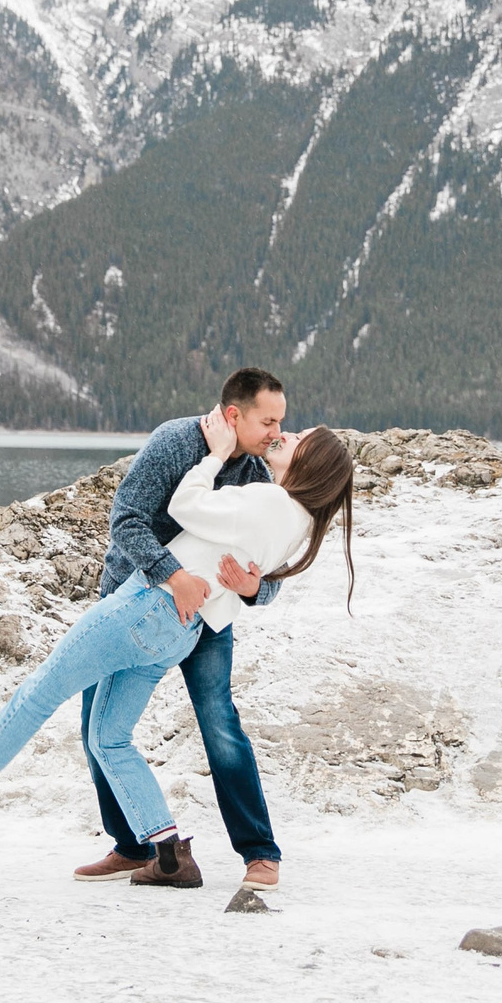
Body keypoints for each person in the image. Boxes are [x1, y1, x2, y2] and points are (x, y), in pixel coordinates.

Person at [0, 407, 357, 891]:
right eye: (279, 424)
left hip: (146, 606)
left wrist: (214, 457)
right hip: (181, 627)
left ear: (311, 464)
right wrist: (228, 595)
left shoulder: (268, 498)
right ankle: (169, 854)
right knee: (109, 738)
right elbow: (244, 572)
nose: (288, 433)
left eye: (300, 436)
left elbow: (185, 507)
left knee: (43, 690)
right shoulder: (297, 522)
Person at [78, 366, 296, 890]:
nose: (276, 432)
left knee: (220, 723)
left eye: (280, 422)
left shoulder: (259, 476)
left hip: (206, 618)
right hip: (131, 602)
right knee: (97, 727)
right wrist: (172, 577)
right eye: (268, 421)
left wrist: (253, 590)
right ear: (234, 415)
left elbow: (271, 574)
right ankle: (132, 846)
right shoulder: (175, 442)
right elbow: (126, 519)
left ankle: (260, 853)